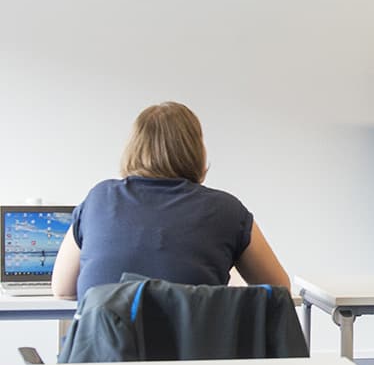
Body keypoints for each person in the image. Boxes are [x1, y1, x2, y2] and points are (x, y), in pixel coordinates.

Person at [52, 102, 289, 300]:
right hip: (200, 355)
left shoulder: (99, 200)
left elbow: (62, 290)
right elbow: (280, 290)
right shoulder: (227, 211)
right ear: (197, 151)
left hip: (106, 354)